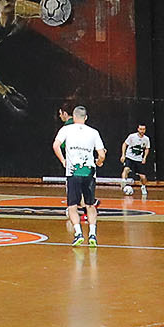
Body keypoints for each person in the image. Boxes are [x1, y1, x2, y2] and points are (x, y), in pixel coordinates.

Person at [54, 104, 106, 245]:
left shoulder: (66, 129)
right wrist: (99, 162)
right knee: (90, 205)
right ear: (86, 118)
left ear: (74, 116)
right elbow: (101, 154)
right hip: (89, 172)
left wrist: (63, 160)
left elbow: (56, 145)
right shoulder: (93, 132)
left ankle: (78, 233)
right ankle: (93, 234)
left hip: (73, 172)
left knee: (72, 206)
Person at [120, 123, 153, 194]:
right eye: (140, 129)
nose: (142, 131)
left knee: (143, 177)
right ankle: (123, 182)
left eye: (143, 129)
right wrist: (123, 155)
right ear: (138, 129)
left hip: (138, 159)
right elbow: (124, 144)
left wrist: (144, 157)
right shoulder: (132, 136)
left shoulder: (146, 139)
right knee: (126, 169)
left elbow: (147, 148)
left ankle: (143, 187)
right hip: (129, 157)